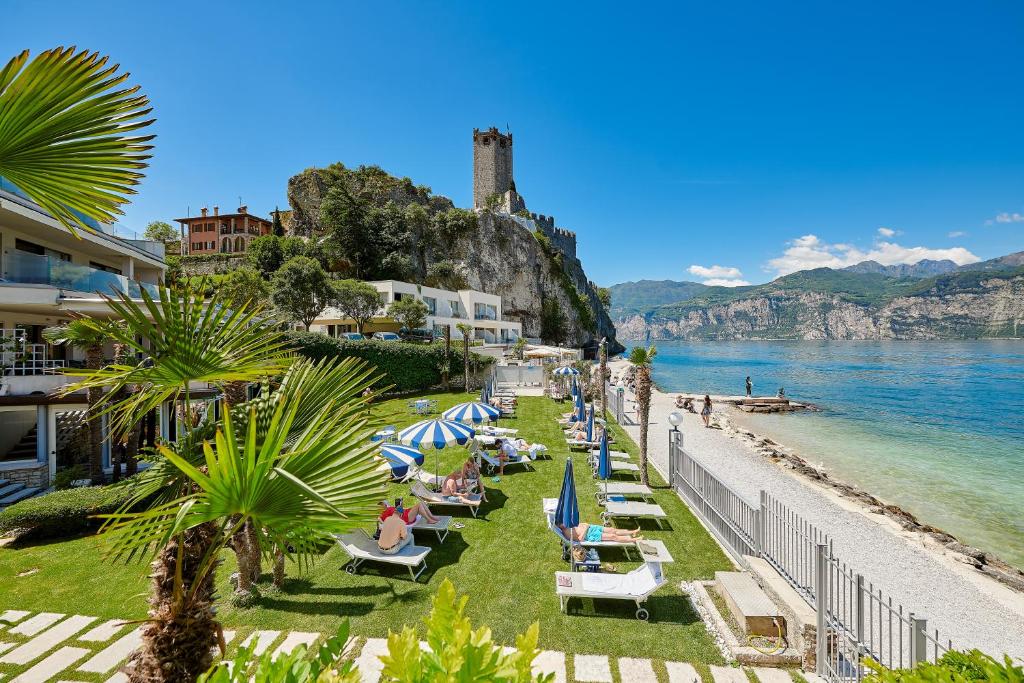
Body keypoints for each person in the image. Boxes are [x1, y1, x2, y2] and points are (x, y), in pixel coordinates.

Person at [558, 521, 644, 543]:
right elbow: (580, 539)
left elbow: (580, 524)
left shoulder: (568, 524)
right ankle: (635, 540)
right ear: (559, 526)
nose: (564, 522)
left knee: (613, 530)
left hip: (592, 527)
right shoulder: (567, 534)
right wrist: (586, 528)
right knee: (613, 537)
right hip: (590, 535)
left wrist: (586, 525)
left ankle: (633, 532)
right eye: (561, 523)